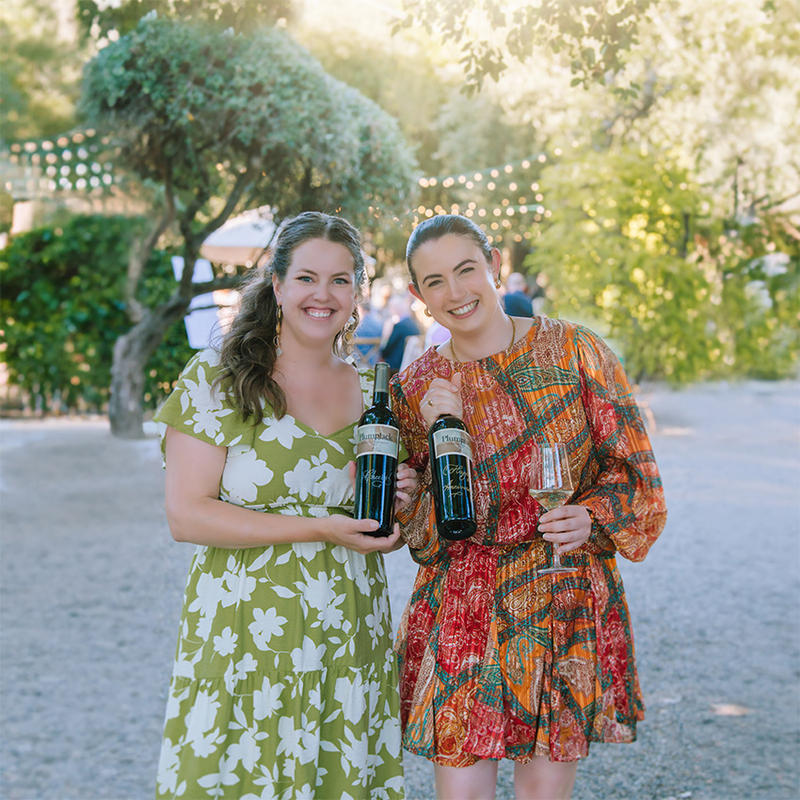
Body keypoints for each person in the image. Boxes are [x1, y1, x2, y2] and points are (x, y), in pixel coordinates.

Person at [389, 214, 667, 800]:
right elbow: (420, 532)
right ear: (418, 296)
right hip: (461, 606)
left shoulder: (576, 352)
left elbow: (637, 476)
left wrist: (591, 516)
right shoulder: (413, 389)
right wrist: (442, 438)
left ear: (494, 265)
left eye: (467, 269)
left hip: (558, 597)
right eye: (435, 281)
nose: (456, 292)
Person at [154, 212, 413, 800]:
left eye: (341, 281)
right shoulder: (218, 380)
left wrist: (399, 504)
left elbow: (383, 517)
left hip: (347, 624)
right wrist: (319, 527)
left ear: (356, 293)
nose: (323, 295)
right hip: (246, 627)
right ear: (276, 285)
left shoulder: (375, 392)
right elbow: (186, 515)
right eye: (306, 278)